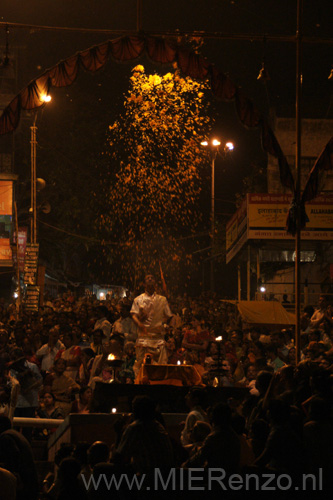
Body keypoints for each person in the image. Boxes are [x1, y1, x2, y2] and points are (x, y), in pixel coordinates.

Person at [131, 274, 173, 373]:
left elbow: (169, 316)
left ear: (155, 283)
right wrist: (140, 323)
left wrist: (167, 327)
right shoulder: (138, 299)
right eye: (147, 278)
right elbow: (133, 315)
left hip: (158, 339)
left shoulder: (162, 299)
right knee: (142, 369)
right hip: (143, 339)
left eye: (152, 278)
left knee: (161, 369)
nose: (150, 279)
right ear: (144, 284)